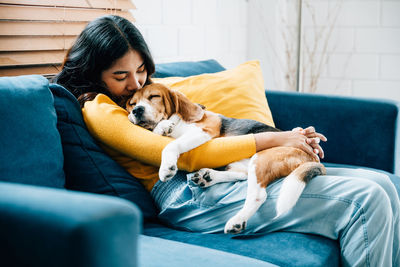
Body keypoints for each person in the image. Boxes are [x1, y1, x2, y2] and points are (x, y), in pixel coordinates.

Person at [54, 15, 399, 267]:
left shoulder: (147, 96)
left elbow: (202, 125)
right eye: (120, 75)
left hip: (219, 176)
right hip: (188, 194)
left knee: (385, 184)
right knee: (365, 200)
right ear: (93, 72)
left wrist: (289, 145)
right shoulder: (99, 109)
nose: (135, 83)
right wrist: (276, 137)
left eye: (141, 69)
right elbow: (185, 159)